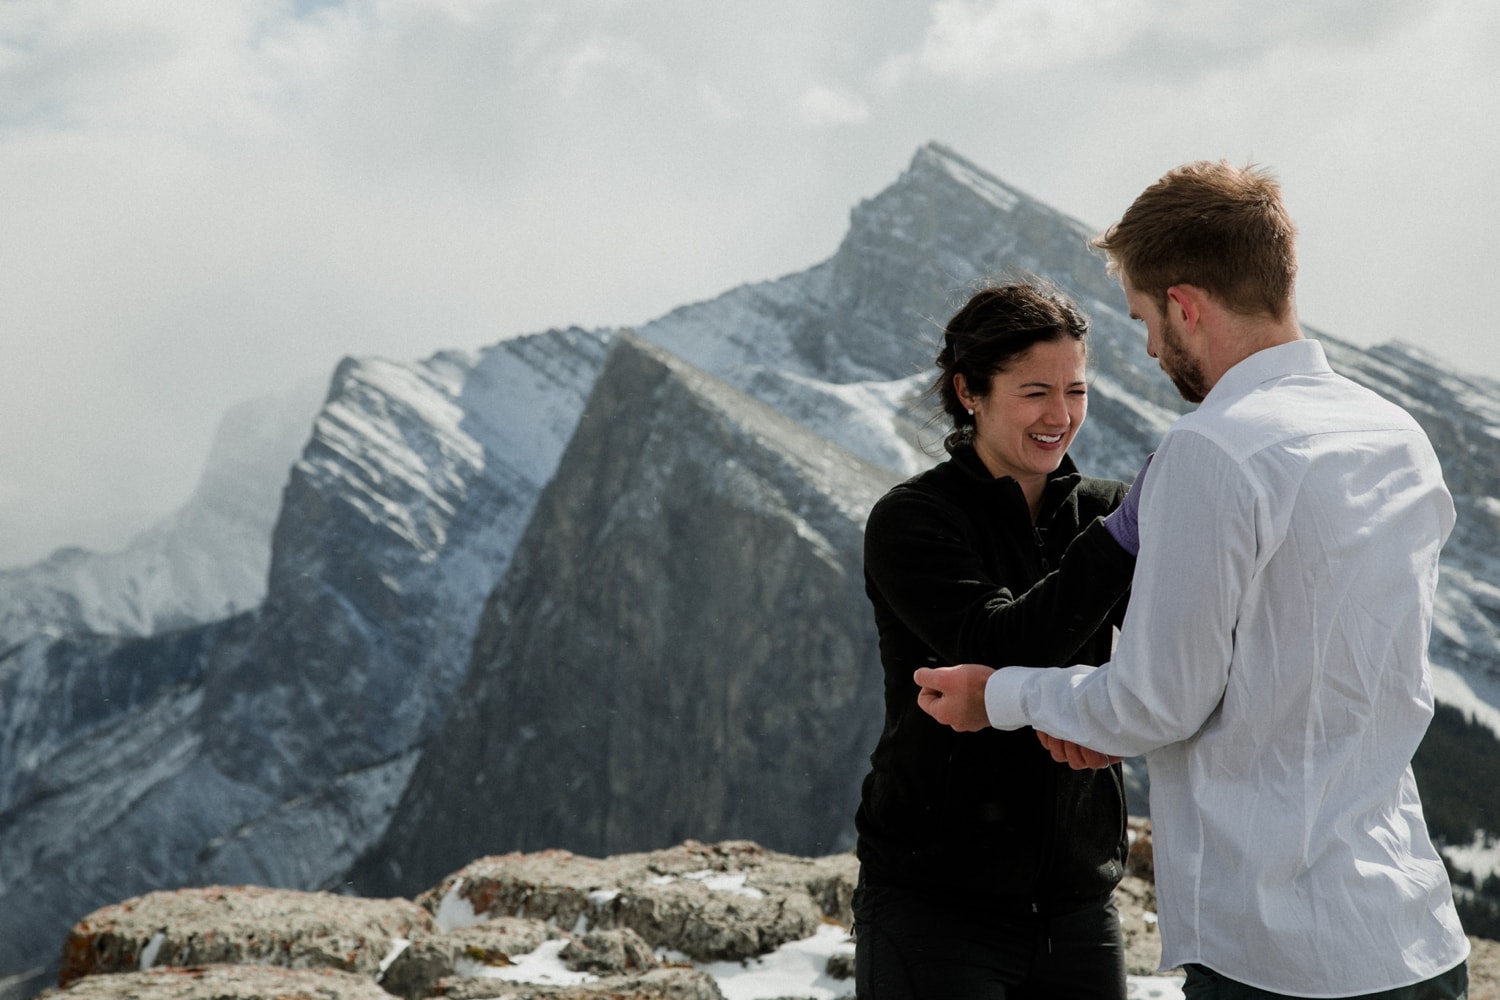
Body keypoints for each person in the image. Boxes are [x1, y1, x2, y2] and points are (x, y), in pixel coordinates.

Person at [915, 162, 1471, 999]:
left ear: (1184, 304)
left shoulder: (1212, 448)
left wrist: (1003, 695)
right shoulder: (1394, 434)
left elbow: (1157, 702)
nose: (1145, 346)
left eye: (1143, 318)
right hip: (1412, 931)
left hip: (1276, 953)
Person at [853, 278, 1150, 999]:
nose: (1061, 415)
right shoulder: (914, 520)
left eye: (1075, 391)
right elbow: (998, 641)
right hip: (936, 907)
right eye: (1034, 392)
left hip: (1078, 907)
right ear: (969, 392)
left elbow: (1178, 655)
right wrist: (1116, 543)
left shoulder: (1104, 510)